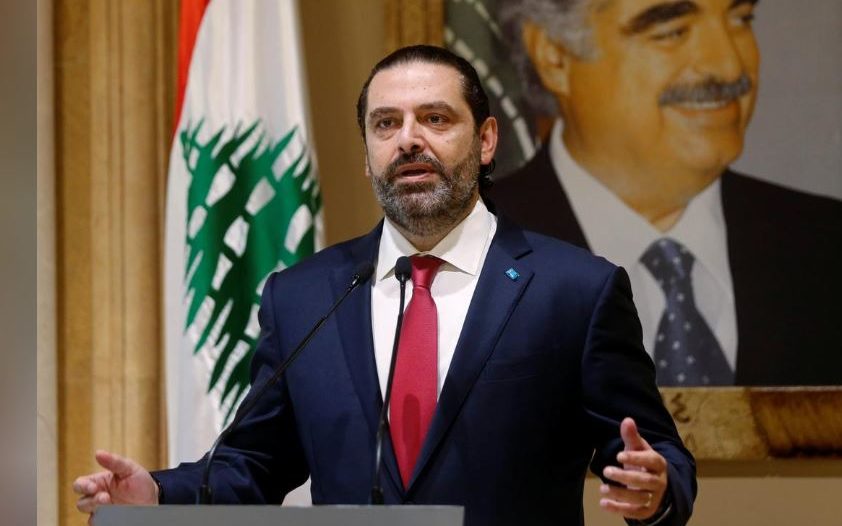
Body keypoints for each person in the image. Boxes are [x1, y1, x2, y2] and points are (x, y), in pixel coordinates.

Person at [73, 45, 696, 526]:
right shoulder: (303, 297)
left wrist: (656, 488)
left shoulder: (575, 290)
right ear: (367, 154)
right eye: (385, 124)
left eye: (435, 118)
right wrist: (157, 494)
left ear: (485, 141)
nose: (408, 140)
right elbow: (255, 461)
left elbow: (659, 455)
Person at [489, 0, 842, 386]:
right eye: (672, 32)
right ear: (555, 56)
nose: (729, 66)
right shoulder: (465, 252)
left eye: (741, 19)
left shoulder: (826, 245)